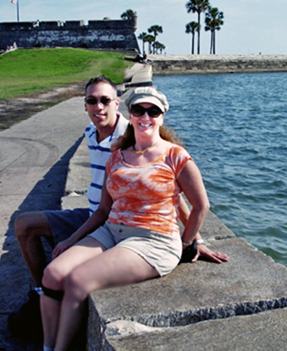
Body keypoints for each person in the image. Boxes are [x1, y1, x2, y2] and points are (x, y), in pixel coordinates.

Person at [40, 87, 228, 351]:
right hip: (111, 230)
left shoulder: (176, 156)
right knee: (52, 274)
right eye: (139, 110)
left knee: (77, 280)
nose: (146, 116)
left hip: (153, 240)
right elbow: (104, 210)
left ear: (162, 117)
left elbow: (199, 206)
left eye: (154, 111)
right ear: (131, 113)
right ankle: (48, 346)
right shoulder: (117, 156)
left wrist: (189, 243)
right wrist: (72, 239)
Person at [8, 75, 129, 340]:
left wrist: (195, 238)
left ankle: (51, 308)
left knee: (62, 262)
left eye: (105, 100)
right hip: (90, 213)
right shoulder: (89, 132)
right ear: (84, 105)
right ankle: (42, 296)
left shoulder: (130, 139)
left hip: (110, 224)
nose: (98, 107)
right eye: (91, 101)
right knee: (23, 224)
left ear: (116, 103)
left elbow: (170, 182)